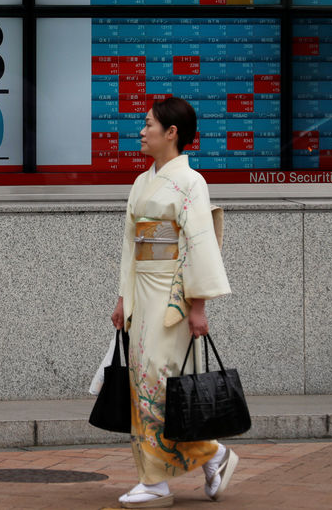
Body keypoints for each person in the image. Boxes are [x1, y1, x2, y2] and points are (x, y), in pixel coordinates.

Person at [110, 97, 237, 508]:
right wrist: (122, 298)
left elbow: (199, 246)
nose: (141, 131)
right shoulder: (142, 181)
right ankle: (209, 455)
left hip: (172, 296)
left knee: (160, 384)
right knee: (143, 383)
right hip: (142, 294)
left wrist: (196, 307)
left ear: (172, 133)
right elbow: (131, 245)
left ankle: (158, 480)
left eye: (148, 125)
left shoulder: (191, 182)